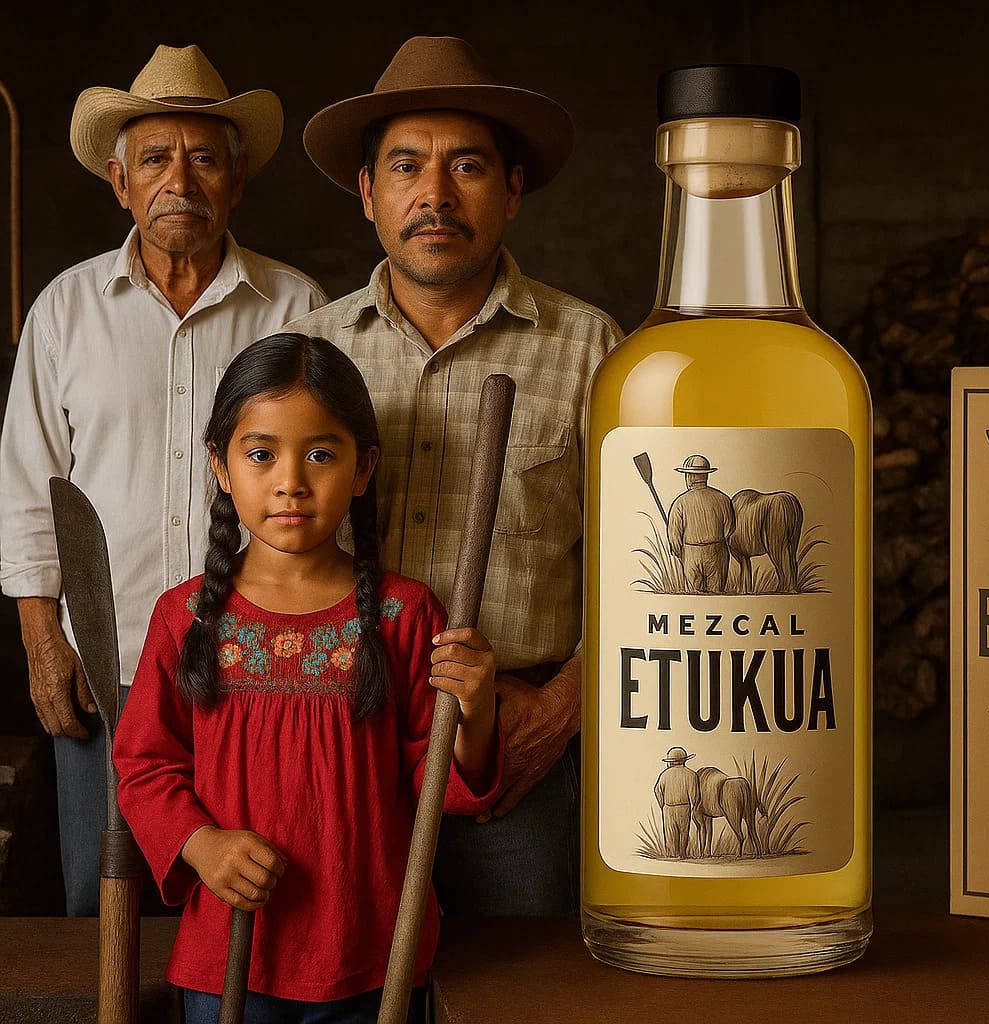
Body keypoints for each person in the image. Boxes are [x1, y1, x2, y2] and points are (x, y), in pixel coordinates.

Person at [288, 34, 623, 916]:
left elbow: (641, 566)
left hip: (514, 752)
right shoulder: (312, 356)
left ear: (512, 191)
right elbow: (270, 556)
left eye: (467, 165)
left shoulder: (591, 349)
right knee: (348, 981)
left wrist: (557, 716)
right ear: (368, 194)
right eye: (405, 166)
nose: (433, 195)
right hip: (344, 746)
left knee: (513, 993)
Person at [0, 44, 328, 916]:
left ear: (238, 178)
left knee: (242, 905)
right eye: (155, 158)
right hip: (103, 669)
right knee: (98, 901)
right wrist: (42, 641)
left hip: (257, 673)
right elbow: (29, 487)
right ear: (119, 181)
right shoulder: (64, 312)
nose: (179, 178)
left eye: (204, 157)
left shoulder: (298, 308)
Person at [112, 333, 501, 1022]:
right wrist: (202, 845)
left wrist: (475, 710)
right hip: (228, 952)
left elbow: (436, 778)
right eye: (261, 454)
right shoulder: (186, 616)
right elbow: (144, 765)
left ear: (362, 468)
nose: (291, 480)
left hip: (371, 952)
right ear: (221, 465)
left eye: (321, 453)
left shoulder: (402, 613)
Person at [667, 454, 736, 594]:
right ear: (706, 475)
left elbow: (674, 537)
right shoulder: (723, 499)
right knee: (716, 598)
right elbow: (729, 529)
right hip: (717, 553)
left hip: (691, 555)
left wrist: (681, 553)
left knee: (694, 599)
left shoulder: (679, 503)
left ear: (690, 477)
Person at [654, 747, 700, 859]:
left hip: (668, 807)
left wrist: (662, 805)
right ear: (684, 760)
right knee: (684, 832)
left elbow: (657, 790)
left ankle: (671, 855)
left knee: (670, 832)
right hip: (684, 807)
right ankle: (682, 854)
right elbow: (695, 795)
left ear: (671, 762)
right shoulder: (691, 775)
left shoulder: (664, 775)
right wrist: (694, 806)